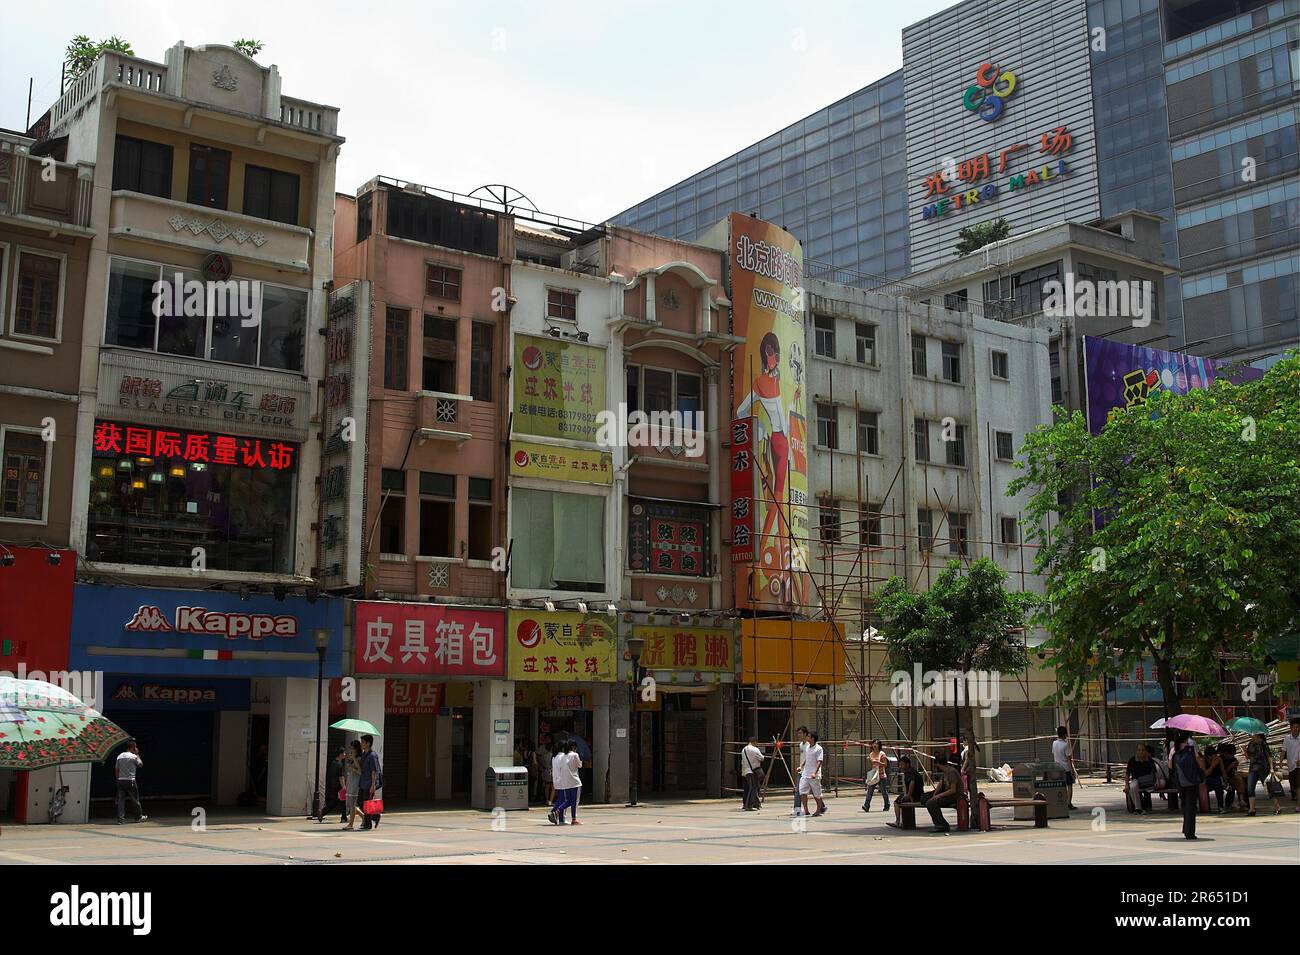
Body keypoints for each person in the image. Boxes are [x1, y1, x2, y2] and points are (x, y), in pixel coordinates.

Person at [1170, 731, 1207, 839]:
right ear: (1187, 738)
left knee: (1185, 805)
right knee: (1191, 806)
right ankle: (1190, 832)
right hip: (1192, 781)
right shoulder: (1191, 747)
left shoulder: (1173, 750)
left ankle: (1185, 828)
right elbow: (1198, 761)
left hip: (1180, 782)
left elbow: (1170, 766)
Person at [924, 751, 962, 833]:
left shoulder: (951, 772)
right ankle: (940, 823)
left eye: (936, 765)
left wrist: (938, 796)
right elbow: (940, 784)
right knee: (927, 799)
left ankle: (941, 825)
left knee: (931, 803)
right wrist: (934, 795)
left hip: (955, 796)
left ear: (939, 764)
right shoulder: (945, 772)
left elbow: (953, 790)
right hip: (947, 794)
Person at [1244, 732, 1281, 816]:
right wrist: (1245, 751)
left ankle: (1277, 807)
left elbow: (1269, 756)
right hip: (1252, 769)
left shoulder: (1263, 743)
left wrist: (1271, 768)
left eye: (1251, 733)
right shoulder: (1250, 744)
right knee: (1250, 788)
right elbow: (1248, 757)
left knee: (1268, 788)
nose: (1250, 734)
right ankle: (1252, 809)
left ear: (1257, 734)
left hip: (1263, 768)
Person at [115, 740, 147, 824]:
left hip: (121, 780)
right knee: (135, 800)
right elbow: (140, 764)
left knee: (121, 801)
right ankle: (138, 817)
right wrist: (137, 754)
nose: (136, 748)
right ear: (132, 747)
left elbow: (117, 769)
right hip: (130, 781)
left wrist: (118, 780)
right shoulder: (133, 756)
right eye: (135, 747)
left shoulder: (119, 756)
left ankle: (120, 819)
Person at [798, 731, 827, 818]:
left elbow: (819, 761)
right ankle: (806, 810)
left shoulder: (819, 749)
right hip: (805, 773)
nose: (807, 738)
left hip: (814, 775)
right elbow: (807, 759)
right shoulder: (807, 747)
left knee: (817, 794)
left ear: (812, 739)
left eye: (808, 737)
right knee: (802, 791)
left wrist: (815, 772)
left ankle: (818, 810)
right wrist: (801, 766)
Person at [1124, 743, 1158, 813]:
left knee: (1148, 789)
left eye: (1143, 750)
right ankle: (1138, 808)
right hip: (1136, 780)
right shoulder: (1132, 760)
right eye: (1139, 750)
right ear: (1136, 751)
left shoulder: (1149, 760)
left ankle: (1146, 806)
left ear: (1145, 751)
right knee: (1132, 787)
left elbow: (1155, 772)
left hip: (1148, 781)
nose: (1141, 752)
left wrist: (1157, 781)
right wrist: (1126, 785)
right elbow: (1127, 774)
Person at [357, 734, 382, 830]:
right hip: (363, 782)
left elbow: (374, 771)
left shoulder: (372, 755)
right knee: (361, 803)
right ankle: (375, 816)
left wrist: (373, 785)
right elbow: (361, 768)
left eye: (363, 742)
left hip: (369, 783)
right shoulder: (364, 754)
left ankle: (368, 824)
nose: (361, 744)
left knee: (367, 803)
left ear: (368, 743)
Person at [549, 740, 577, 825]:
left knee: (561, 799)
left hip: (556, 780)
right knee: (563, 800)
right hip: (562, 780)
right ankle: (556, 814)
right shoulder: (562, 756)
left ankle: (559, 817)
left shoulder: (554, 756)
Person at [1052, 726, 1078, 811]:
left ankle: (1060, 802)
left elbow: (1054, 754)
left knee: (1060, 786)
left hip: (1057, 768)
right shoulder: (1066, 744)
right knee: (1069, 786)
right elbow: (1069, 759)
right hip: (1066, 768)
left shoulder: (1054, 743)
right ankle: (1068, 803)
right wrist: (1072, 770)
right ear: (1065, 734)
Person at [861, 739, 889, 813]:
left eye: (876, 744)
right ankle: (866, 805)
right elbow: (871, 765)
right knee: (869, 791)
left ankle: (887, 805)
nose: (875, 745)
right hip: (873, 774)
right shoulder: (871, 754)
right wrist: (869, 761)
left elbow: (885, 764)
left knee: (883, 792)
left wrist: (878, 762)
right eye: (874, 743)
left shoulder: (882, 754)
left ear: (879, 745)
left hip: (881, 775)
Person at [342, 740, 363, 830]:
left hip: (355, 782)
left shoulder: (359, 758)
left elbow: (360, 771)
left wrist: (354, 761)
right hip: (350, 781)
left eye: (352, 747)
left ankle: (351, 824)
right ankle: (364, 817)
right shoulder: (351, 757)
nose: (351, 749)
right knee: (350, 804)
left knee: (352, 804)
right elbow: (349, 771)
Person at [741, 737, 765, 811]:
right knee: (753, 788)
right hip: (753, 771)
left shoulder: (743, 749)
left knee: (751, 788)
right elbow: (762, 758)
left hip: (746, 771)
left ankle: (756, 804)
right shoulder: (755, 749)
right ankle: (749, 805)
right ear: (755, 742)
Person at [791, 726, 809, 816]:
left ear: (805, 733)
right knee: (798, 790)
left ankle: (821, 806)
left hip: (808, 771)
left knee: (814, 790)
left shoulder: (809, 745)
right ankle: (797, 808)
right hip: (801, 771)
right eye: (798, 733)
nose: (799, 735)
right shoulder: (801, 744)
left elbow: (808, 758)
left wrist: (802, 766)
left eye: (800, 733)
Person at [1283, 717, 1300, 813]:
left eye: (1297, 727)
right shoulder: (1287, 738)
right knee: (1293, 786)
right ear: (1290, 728)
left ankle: (1298, 805)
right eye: (1293, 727)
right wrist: (1281, 761)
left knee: (1298, 786)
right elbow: (1283, 750)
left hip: (1299, 766)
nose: (1295, 729)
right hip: (1291, 766)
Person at [328, 747, 347, 822]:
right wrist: (344, 787)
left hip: (333, 785)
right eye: (344, 753)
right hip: (339, 786)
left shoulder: (333, 763)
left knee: (336, 801)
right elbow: (341, 776)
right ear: (340, 754)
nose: (345, 755)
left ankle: (322, 812)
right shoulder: (339, 764)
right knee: (343, 802)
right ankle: (344, 818)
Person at [961, 735, 980, 803]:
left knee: (967, 785)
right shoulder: (968, 748)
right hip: (969, 769)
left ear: (966, 741)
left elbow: (966, 760)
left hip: (967, 770)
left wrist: (962, 769)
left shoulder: (967, 749)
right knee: (969, 785)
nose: (962, 742)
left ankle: (971, 800)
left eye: (963, 741)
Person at [537, 735, 554, 805]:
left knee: (547, 786)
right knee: (553, 786)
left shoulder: (544, 756)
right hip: (552, 771)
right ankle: (550, 800)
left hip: (545, 770)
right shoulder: (553, 755)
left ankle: (547, 800)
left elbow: (541, 762)